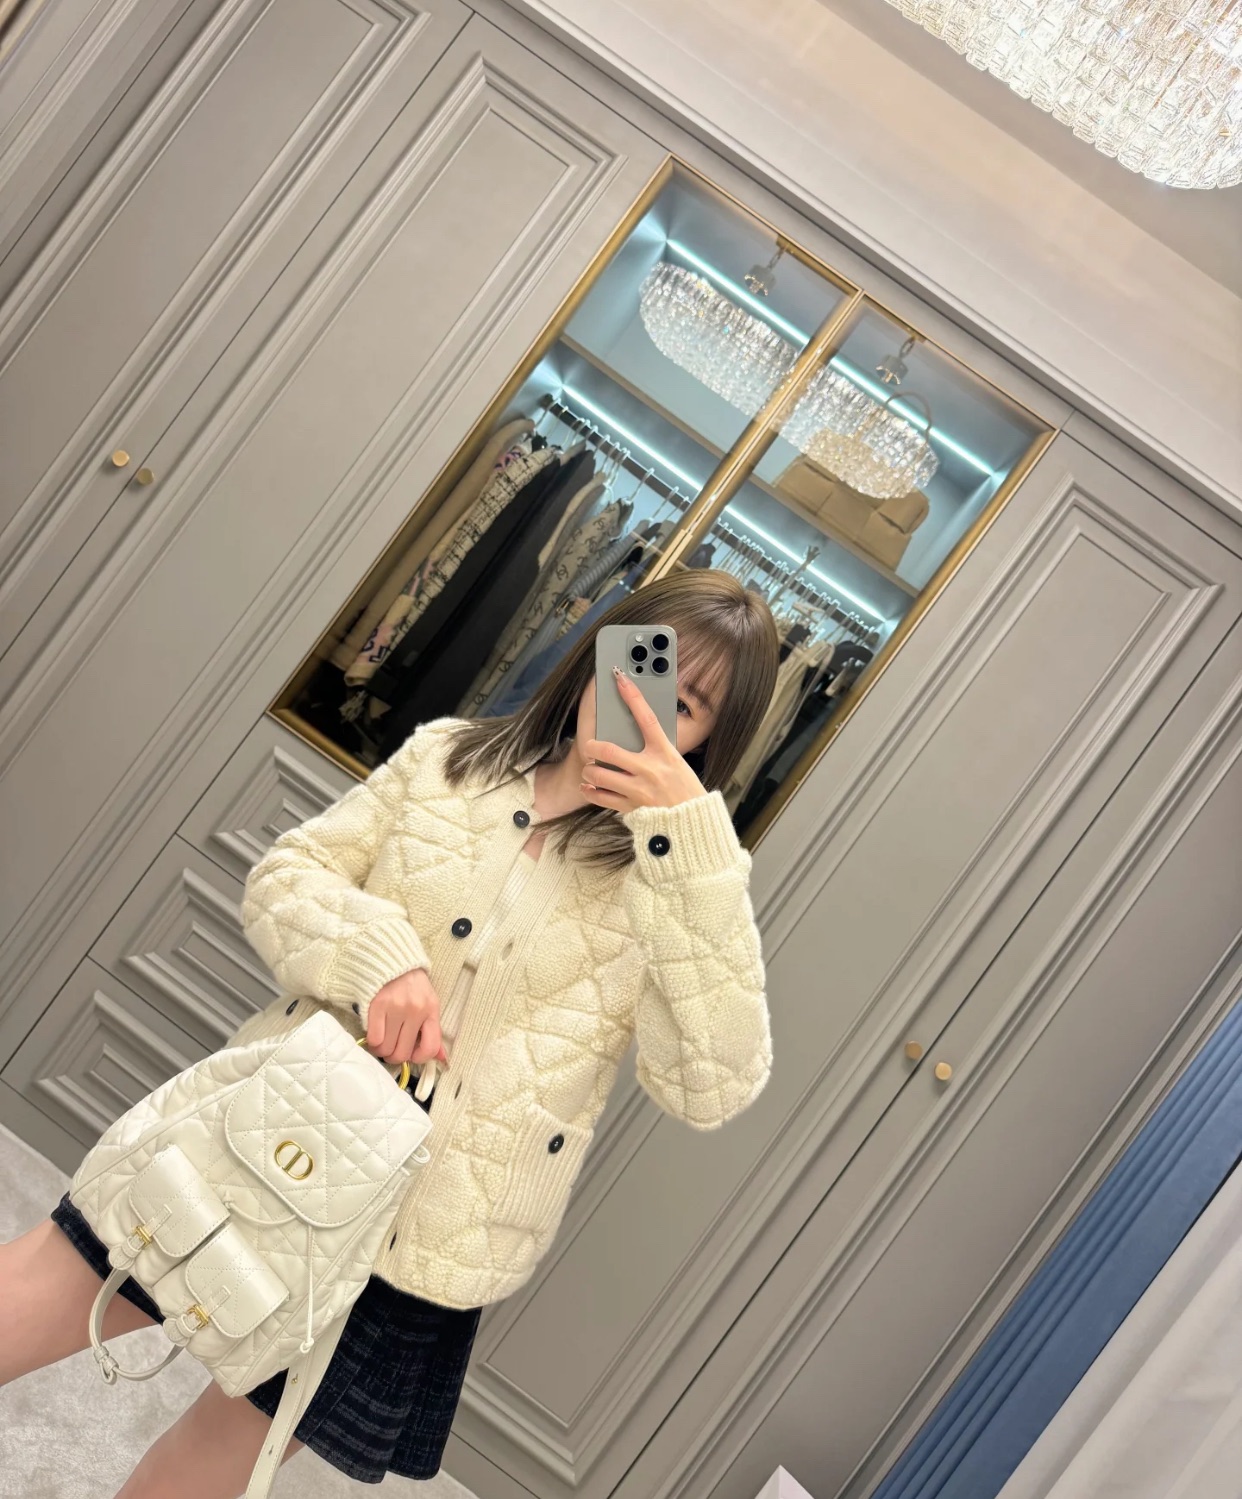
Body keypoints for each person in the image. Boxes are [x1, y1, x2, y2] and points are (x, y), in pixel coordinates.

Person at [0, 567, 779, 1497]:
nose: (642, 706)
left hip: (423, 1228)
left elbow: (711, 1085)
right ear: (599, 652)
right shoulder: (451, 760)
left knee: (221, 1455)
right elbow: (286, 879)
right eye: (641, 666)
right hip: (275, 1128)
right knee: (51, 1288)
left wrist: (686, 845)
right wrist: (379, 959)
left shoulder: (683, 889)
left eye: (682, 705)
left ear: (709, 742)